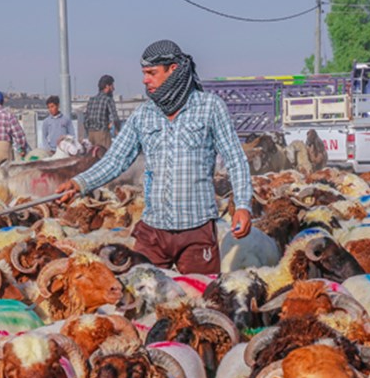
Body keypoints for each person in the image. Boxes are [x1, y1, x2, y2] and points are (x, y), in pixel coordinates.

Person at [57, 40, 252, 275]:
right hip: (153, 230)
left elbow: (235, 158)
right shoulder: (144, 115)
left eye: (151, 73)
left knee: (200, 300)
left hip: (196, 229)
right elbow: (115, 159)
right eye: (144, 73)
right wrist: (80, 183)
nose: (145, 79)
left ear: (174, 70)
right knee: (140, 296)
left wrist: (243, 204)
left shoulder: (209, 107)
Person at [82, 74, 119, 149]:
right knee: (106, 157)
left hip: (91, 135)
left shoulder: (91, 100)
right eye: (112, 86)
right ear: (107, 86)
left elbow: (85, 120)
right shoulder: (108, 99)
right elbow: (115, 118)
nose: (113, 89)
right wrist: (118, 131)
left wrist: (88, 133)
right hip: (103, 135)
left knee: (93, 159)